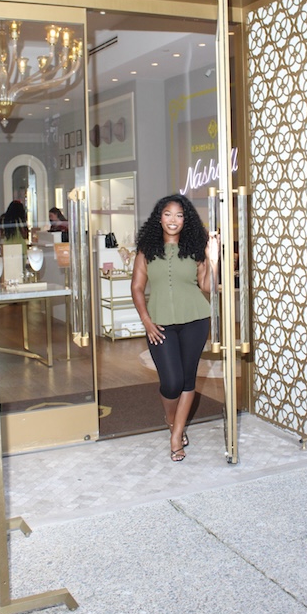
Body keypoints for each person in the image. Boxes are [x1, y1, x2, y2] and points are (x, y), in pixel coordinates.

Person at [131, 194, 219, 462]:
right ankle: (172, 421)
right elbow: (136, 287)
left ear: (185, 220)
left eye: (179, 215)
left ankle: (176, 436)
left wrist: (213, 259)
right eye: (168, 214)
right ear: (159, 218)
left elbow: (208, 287)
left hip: (195, 320)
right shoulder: (146, 250)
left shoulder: (195, 249)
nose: (173, 220)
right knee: (171, 383)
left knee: (187, 379)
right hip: (158, 324)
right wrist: (146, 321)